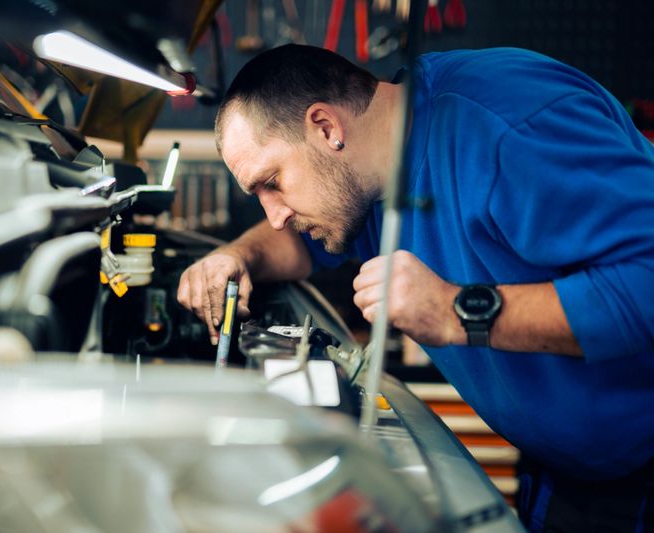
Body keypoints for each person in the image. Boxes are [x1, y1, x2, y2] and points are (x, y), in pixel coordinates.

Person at [176, 44, 654, 531]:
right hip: (570, 472)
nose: (274, 215)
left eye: (272, 181)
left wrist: (456, 311)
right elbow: (298, 248)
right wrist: (236, 255)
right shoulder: (367, 176)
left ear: (325, 127)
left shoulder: (507, 122)